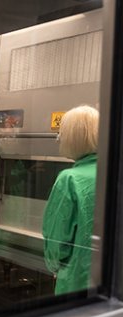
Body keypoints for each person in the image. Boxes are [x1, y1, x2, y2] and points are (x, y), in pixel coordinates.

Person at [43, 105, 99, 295]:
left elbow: (57, 241)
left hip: (77, 282)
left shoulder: (69, 179)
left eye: (62, 133)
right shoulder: (113, 170)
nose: (60, 138)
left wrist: (55, 266)